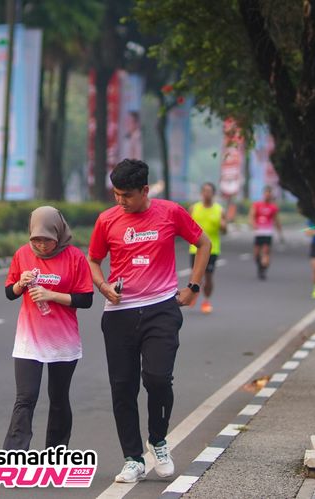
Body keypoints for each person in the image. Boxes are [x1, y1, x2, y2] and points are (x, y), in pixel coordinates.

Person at [87, 159, 211, 483]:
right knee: (123, 387)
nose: (120, 201)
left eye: (127, 195)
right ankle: (133, 459)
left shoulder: (170, 213)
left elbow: (204, 243)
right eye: (116, 194)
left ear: (145, 190)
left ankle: (157, 440)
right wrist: (103, 286)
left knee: (158, 379)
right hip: (120, 314)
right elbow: (94, 260)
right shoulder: (106, 220)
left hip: (161, 308)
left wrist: (193, 287)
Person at [3, 206, 93, 452]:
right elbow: (9, 293)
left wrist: (52, 295)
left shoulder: (74, 257)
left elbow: (86, 299)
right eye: (36, 240)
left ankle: (55, 453)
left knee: (59, 398)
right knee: (25, 398)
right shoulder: (22, 254)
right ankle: (14, 455)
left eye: (47, 240)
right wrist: (20, 284)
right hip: (28, 340)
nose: (41, 246)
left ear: (59, 234)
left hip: (62, 341)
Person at [189, 182, 227, 314]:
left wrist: (223, 226)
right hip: (195, 248)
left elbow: (225, 231)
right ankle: (192, 294)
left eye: (209, 191)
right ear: (201, 193)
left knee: (208, 276)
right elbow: (186, 226)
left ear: (213, 193)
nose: (207, 194)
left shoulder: (219, 210)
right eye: (204, 191)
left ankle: (206, 300)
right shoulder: (194, 208)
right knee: (194, 275)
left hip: (212, 249)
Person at [249, 186, 283, 280]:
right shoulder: (257, 205)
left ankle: (263, 270)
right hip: (258, 232)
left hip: (268, 232)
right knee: (256, 254)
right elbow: (251, 216)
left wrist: (280, 234)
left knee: (265, 252)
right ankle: (260, 266)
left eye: (269, 194)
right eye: (266, 194)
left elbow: (277, 221)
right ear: (263, 194)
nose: (267, 196)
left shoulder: (273, 207)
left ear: (271, 195)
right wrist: (253, 224)